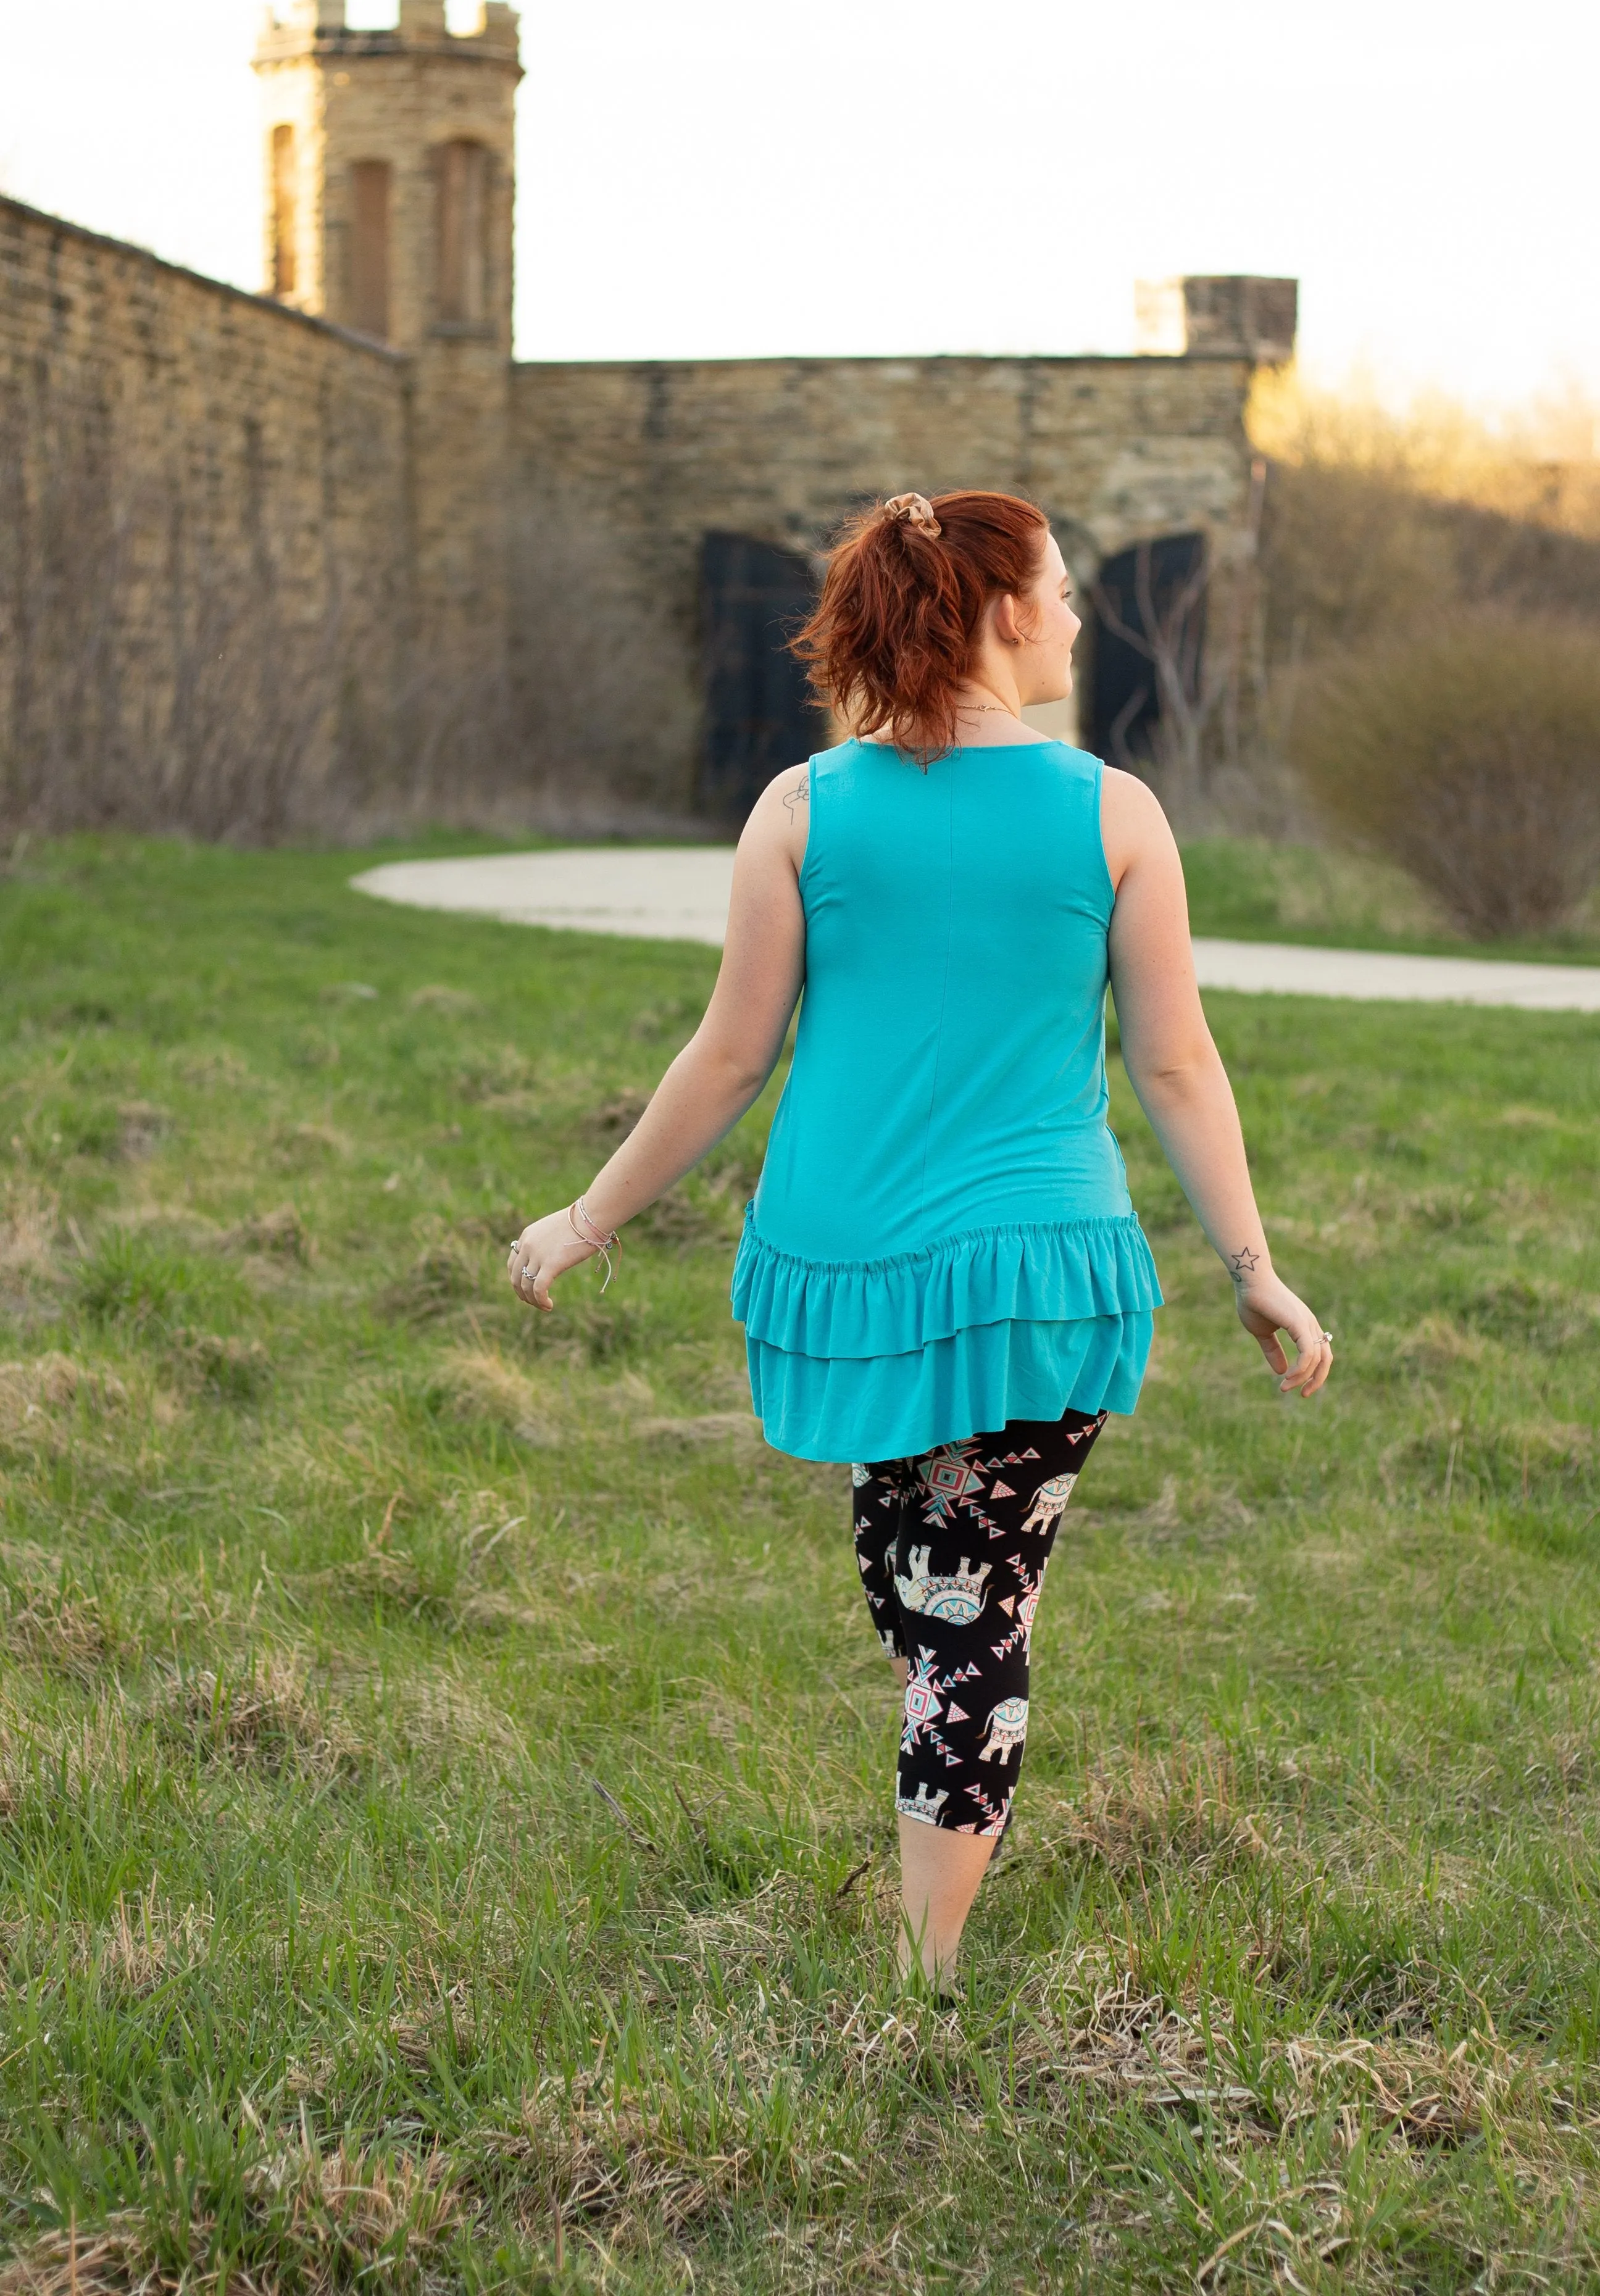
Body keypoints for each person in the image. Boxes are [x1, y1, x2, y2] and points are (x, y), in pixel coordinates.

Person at [507, 488, 1332, 1990]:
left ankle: (925, 1977)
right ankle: (945, 1830)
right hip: (878, 1281)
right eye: (1066, 592)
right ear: (1004, 612)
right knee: (914, 1581)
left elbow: (1170, 1063)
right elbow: (733, 1053)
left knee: (963, 1621)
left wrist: (1252, 1262)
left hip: (1008, 1278)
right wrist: (587, 1216)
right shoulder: (900, 808)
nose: (1080, 617)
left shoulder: (900, 809)